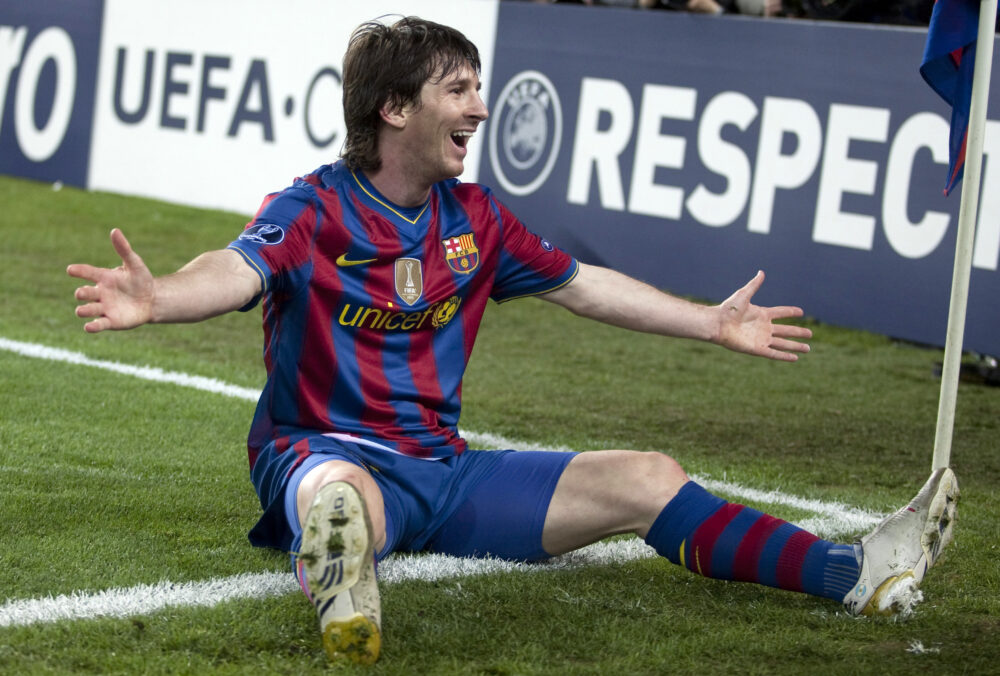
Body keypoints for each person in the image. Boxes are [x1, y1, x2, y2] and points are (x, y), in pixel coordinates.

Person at [68, 16, 958, 667]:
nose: (481, 108)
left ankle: (854, 572)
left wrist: (710, 321)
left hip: (443, 472)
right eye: (458, 90)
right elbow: (234, 268)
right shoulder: (311, 208)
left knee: (649, 477)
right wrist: (162, 297)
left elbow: (584, 285)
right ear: (394, 107)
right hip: (321, 449)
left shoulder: (476, 218)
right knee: (342, 496)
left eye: (478, 87)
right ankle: (340, 567)